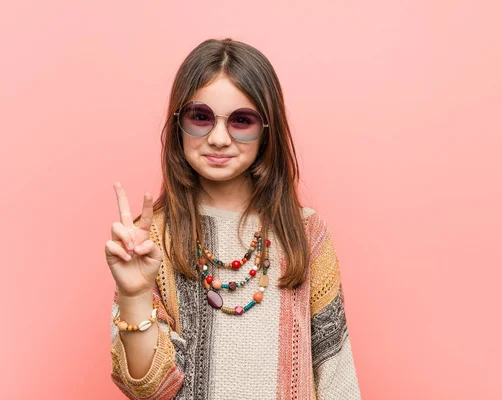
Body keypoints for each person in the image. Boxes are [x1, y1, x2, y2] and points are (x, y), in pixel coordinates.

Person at [105, 38, 362, 400]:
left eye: (242, 120)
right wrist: (135, 293)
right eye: (201, 117)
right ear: (178, 124)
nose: (220, 138)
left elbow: (336, 374)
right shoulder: (151, 239)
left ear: (266, 130)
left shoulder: (304, 234)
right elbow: (148, 389)